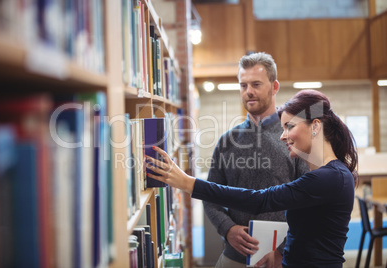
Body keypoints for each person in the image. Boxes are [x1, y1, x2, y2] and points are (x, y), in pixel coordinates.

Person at [146, 89, 358, 268]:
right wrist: (280, 254)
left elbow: (261, 200)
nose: (283, 135)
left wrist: (188, 183)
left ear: (315, 127)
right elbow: (306, 230)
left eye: (289, 127)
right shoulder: (328, 175)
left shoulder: (329, 178)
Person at [204, 52, 309, 267]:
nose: (248, 92)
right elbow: (210, 197)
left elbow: (308, 201)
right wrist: (228, 229)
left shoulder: (296, 137)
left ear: (274, 86)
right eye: (243, 85)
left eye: (256, 84)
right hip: (234, 258)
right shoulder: (227, 141)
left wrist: (282, 250)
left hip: (284, 259)